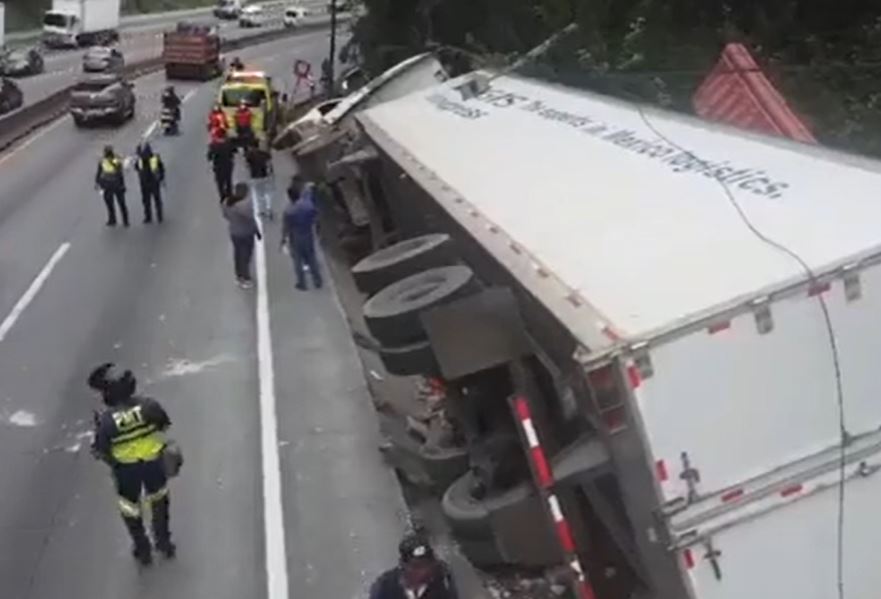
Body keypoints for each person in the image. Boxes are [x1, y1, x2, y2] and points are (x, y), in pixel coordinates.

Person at [88, 362, 176, 566]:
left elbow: (99, 449)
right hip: (154, 464)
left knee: (130, 509)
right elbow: (164, 425)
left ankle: (142, 548)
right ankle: (163, 542)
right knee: (159, 502)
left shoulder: (107, 421)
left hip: (126, 471)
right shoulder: (149, 405)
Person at [369, 533, 459, 599]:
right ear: (403, 565)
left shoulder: (444, 581)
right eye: (417, 566)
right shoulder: (385, 586)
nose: (425, 571)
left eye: (428, 564)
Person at [281, 177, 322, 290]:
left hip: (295, 236)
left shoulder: (289, 210)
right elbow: (316, 217)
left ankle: (302, 283)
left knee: (297, 261)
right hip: (307, 233)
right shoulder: (308, 206)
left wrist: (283, 239)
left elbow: (286, 227)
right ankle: (317, 280)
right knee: (311, 257)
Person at [222, 182, 262, 288]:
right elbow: (251, 220)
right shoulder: (245, 205)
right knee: (246, 256)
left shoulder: (227, 203)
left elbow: (225, 215)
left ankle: (239, 276)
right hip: (246, 233)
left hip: (234, 232)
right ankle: (246, 278)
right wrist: (257, 232)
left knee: (238, 254)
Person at [95, 145, 129, 227]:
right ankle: (125, 221)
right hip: (115, 184)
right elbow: (120, 174)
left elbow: (99, 173)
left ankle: (113, 220)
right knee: (120, 203)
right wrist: (123, 185)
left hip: (108, 185)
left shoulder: (104, 161)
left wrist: (97, 183)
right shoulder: (115, 160)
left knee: (111, 203)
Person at [134, 143, 166, 224]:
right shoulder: (140, 160)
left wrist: (161, 178)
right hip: (145, 183)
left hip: (153, 182)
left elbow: (161, 168)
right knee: (146, 201)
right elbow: (137, 167)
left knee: (155, 200)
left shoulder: (154, 159)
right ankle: (149, 216)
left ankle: (158, 216)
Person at [245, 141, 274, 218]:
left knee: (258, 195)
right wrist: (270, 173)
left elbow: (247, 165)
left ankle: (261, 211)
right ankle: (269, 208)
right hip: (265, 176)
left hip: (255, 177)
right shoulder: (264, 154)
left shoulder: (249, 155)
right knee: (267, 193)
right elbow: (269, 164)